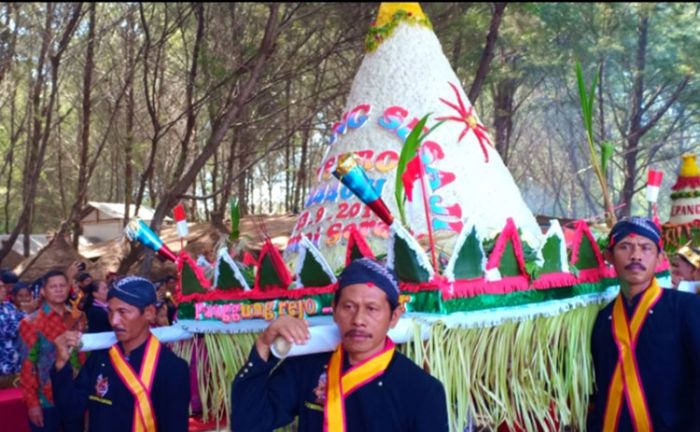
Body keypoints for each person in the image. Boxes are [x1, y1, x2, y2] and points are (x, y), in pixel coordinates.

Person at [230, 257, 449, 432]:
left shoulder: (422, 391)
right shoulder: (307, 368)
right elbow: (250, 423)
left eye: (372, 309)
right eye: (348, 306)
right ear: (334, 309)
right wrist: (264, 344)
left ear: (393, 317)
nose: (358, 320)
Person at [587, 217, 700, 431]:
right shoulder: (603, 319)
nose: (635, 255)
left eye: (646, 248)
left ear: (660, 258)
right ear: (609, 256)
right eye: (625, 247)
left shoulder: (687, 308)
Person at [50, 276, 190, 432]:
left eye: (123, 312)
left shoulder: (172, 368)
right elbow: (71, 411)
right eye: (110, 312)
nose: (114, 321)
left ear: (149, 312)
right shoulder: (100, 358)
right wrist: (61, 364)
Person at [19, 270, 87, 432]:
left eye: (62, 285)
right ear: (43, 291)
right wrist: (33, 403)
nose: (58, 290)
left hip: (74, 395)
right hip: (47, 399)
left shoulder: (78, 317)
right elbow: (28, 365)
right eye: (53, 286)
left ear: (68, 288)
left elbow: (84, 356)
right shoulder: (31, 322)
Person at [0, 277, 25, 388]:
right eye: (0, 288)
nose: (4, 290)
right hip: (2, 366)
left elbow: (26, 320)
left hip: (16, 364)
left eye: (3, 287)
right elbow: (8, 331)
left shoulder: (9, 306)